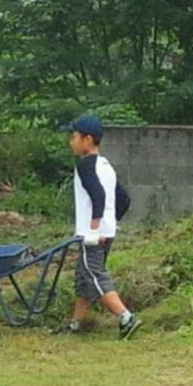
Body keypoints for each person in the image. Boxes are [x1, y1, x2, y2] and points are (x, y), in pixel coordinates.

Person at [54, 114, 140, 339]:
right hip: (105, 232)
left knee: (94, 275)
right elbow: (123, 200)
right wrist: (109, 224)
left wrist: (93, 230)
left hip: (92, 235)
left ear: (88, 139)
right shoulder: (106, 166)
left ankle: (125, 317)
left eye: (74, 136)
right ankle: (77, 322)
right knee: (84, 277)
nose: (71, 141)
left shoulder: (86, 165)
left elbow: (98, 197)